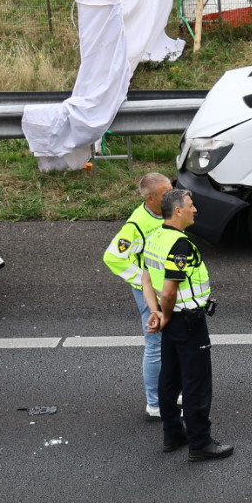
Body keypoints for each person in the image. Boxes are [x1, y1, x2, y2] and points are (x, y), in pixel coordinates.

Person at [142, 187, 232, 461]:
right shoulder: (181, 245)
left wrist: (156, 313)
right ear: (178, 210)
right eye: (191, 205)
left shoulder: (154, 237)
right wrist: (165, 314)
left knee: (169, 378)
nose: (196, 210)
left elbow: (146, 278)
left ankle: (173, 435)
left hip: (170, 319)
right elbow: (169, 290)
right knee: (196, 384)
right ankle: (200, 443)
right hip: (187, 321)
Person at [102, 172, 172, 419]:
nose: (172, 196)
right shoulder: (137, 225)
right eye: (166, 194)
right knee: (155, 346)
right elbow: (112, 257)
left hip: (167, 290)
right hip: (152, 294)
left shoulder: (165, 212)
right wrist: (145, 285)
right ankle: (155, 404)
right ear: (151, 198)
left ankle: (169, 393)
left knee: (170, 343)